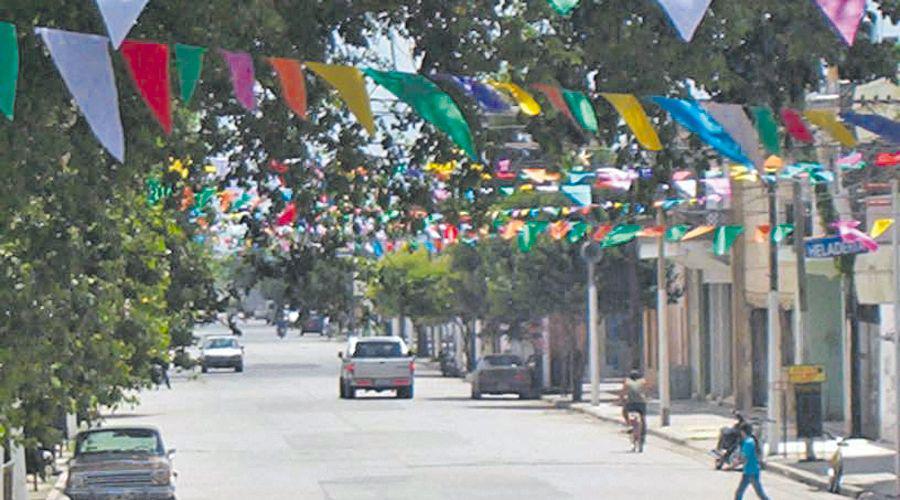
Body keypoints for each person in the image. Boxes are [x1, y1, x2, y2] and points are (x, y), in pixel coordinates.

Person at [734, 423, 769, 500]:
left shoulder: (748, 443)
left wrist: (734, 465)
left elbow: (744, 458)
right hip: (752, 470)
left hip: (750, 471)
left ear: (743, 432)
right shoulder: (751, 441)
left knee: (740, 493)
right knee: (759, 493)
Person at [620, 370, 647, 441]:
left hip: (631, 403)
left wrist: (621, 400)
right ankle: (643, 431)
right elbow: (647, 390)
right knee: (643, 417)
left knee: (624, 412)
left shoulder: (627, 382)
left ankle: (629, 424)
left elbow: (623, 393)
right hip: (641, 403)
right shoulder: (643, 381)